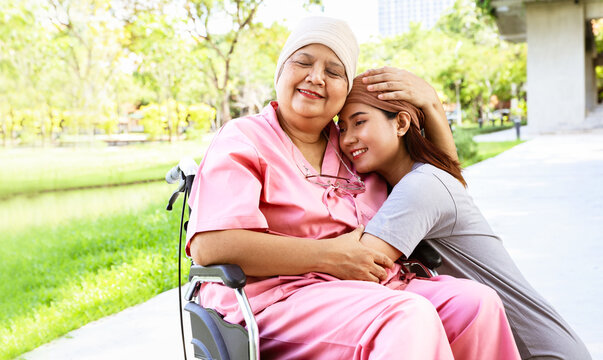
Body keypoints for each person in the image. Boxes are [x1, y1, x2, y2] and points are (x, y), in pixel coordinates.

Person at [186, 16, 520, 359]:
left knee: (476, 304)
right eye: (303, 62)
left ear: (344, 90)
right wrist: (330, 257)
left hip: (378, 289)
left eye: (334, 71)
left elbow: (436, 189)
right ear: (281, 71)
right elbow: (211, 245)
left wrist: (431, 105)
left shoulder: (353, 146)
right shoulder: (244, 139)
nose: (316, 77)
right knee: (406, 317)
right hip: (279, 300)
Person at [338, 74, 592, 360]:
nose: (347, 139)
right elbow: (448, 168)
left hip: (538, 353)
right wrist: (432, 105)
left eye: (359, 122)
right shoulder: (415, 180)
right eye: (341, 127)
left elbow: (354, 262)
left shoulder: (421, 186)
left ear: (401, 123)